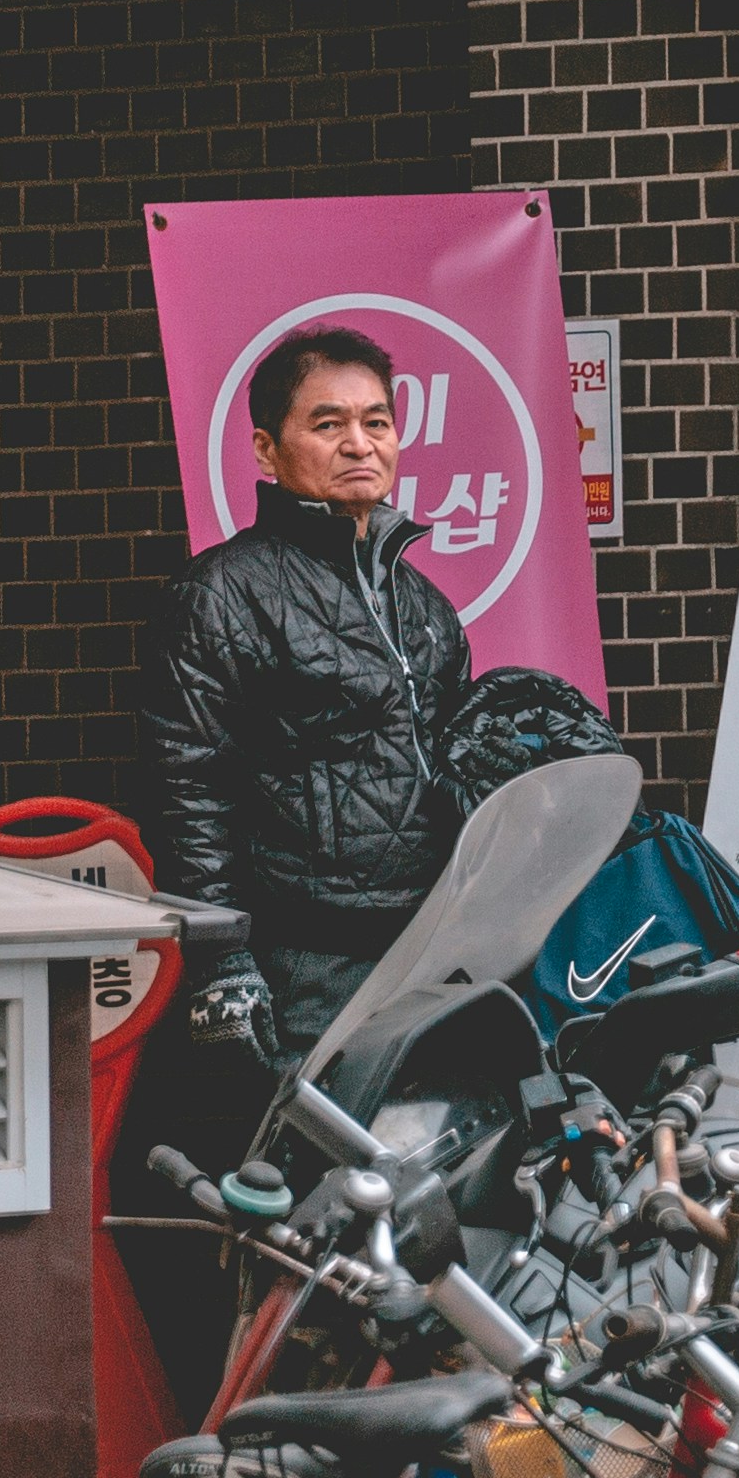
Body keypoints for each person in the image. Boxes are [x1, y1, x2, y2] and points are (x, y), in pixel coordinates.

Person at [147, 323, 475, 1058]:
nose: (359, 443)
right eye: (327, 424)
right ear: (267, 449)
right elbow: (187, 793)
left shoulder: (426, 605)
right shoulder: (221, 594)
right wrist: (222, 960)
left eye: (376, 421)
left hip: (428, 952)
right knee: (320, 1172)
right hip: (302, 969)